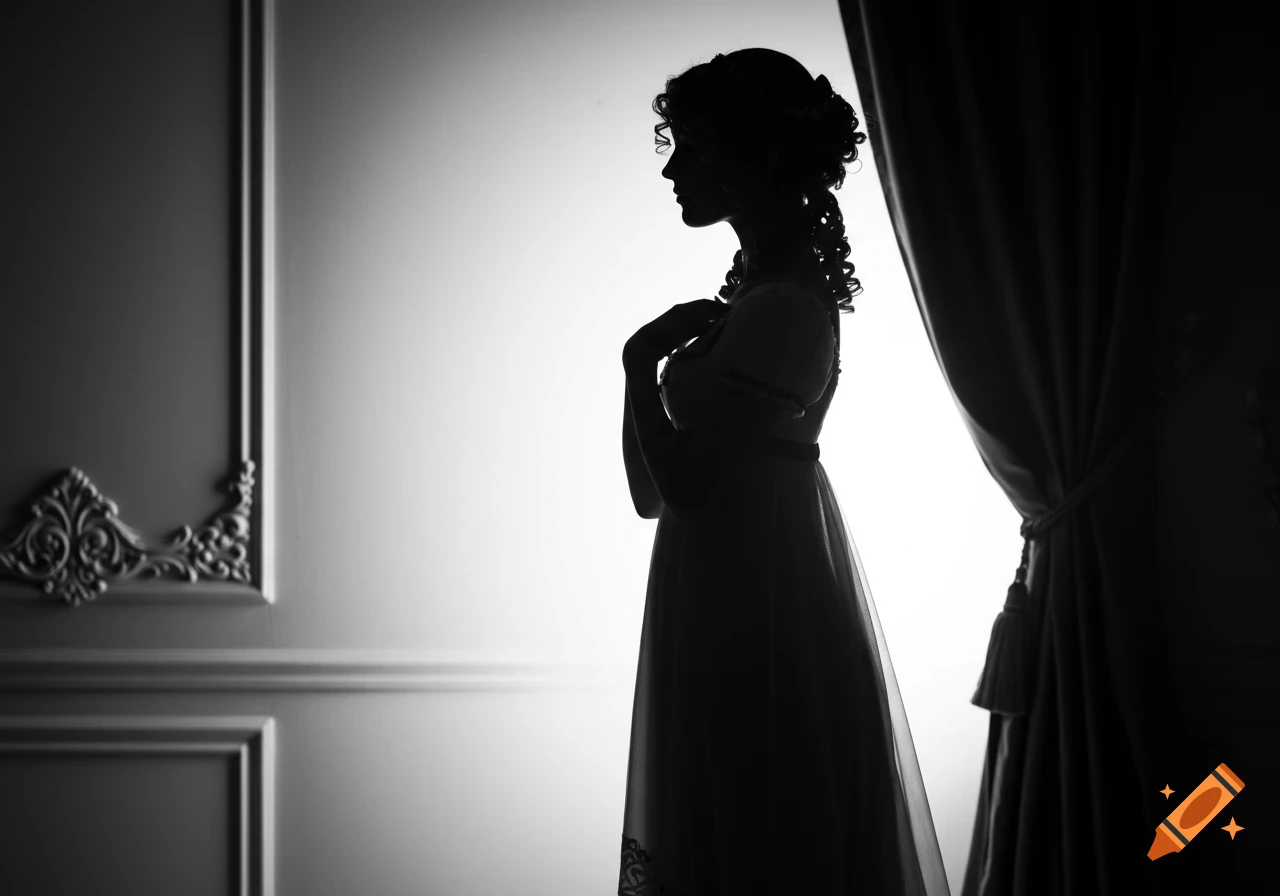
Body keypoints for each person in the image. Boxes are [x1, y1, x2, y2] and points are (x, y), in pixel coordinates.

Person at [618, 48, 951, 895]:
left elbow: (687, 490)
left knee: (760, 821)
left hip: (761, 601)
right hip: (720, 587)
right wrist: (643, 372)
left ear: (750, 155)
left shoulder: (786, 308)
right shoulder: (754, 300)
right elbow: (651, 497)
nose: (672, 167)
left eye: (690, 145)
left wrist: (637, 364)